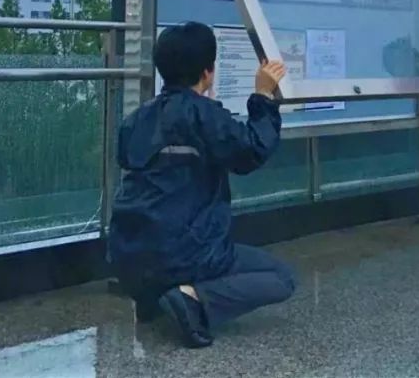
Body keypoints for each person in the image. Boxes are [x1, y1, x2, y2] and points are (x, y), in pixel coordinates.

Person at [108, 21, 296, 347]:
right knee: (282, 278)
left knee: (167, 244)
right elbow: (252, 149)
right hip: (186, 255)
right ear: (208, 72)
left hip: (129, 256)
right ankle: (193, 298)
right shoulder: (204, 115)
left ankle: (154, 299)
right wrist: (263, 94)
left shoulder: (136, 119)